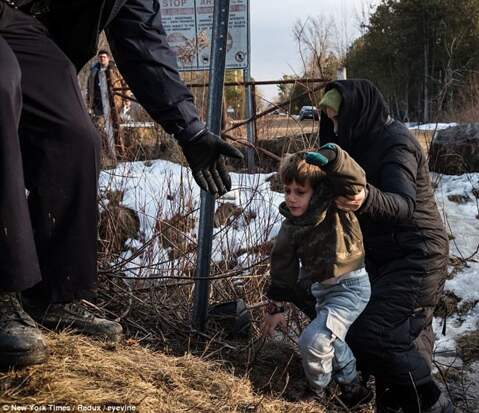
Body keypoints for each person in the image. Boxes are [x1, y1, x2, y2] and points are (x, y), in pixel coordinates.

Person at [0, 0, 242, 368]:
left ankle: (54, 293)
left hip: (18, 23)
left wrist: (190, 130)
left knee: (74, 136)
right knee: (2, 84)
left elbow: (143, 43)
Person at [318, 81, 454, 413]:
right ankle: (394, 401)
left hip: (417, 254)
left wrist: (365, 198)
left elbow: (403, 204)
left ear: (358, 113)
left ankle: (433, 401)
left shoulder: (397, 143)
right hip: (378, 256)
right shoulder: (351, 143)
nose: (335, 128)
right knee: (395, 336)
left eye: (339, 119)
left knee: (370, 332)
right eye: (329, 120)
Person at [262, 145, 372, 408]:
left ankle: (317, 391)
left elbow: (355, 179)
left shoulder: (335, 205)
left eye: (300, 192)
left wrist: (334, 158)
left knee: (313, 341)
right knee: (332, 340)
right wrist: (276, 305)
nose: (291, 198)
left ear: (317, 191)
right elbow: (282, 265)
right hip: (322, 290)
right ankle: (353, 390)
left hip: (352, 286)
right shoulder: (292, 226)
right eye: (287, 191)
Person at [86, 50, 126, 118]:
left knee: (114, 125)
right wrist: (89, 103)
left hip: (114, 103)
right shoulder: (93, 72)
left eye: (104, 57)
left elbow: (125, 84)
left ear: (108, 58)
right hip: (98, 104)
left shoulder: (115, 70)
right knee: (99, 126)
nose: (102, 59)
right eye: (100, 57)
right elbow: (89, 89)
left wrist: (126, 100)